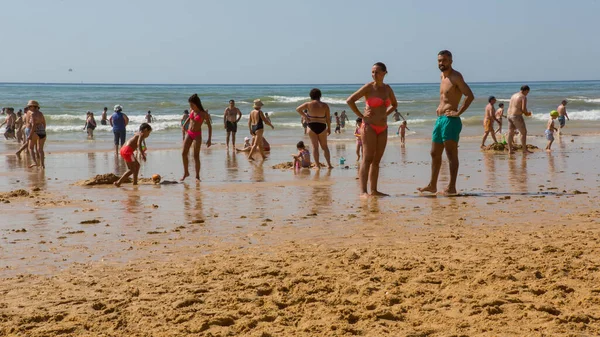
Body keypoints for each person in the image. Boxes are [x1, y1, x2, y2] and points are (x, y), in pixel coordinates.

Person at [418, 50, 474, 196]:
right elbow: (445, 97)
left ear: (451, 61)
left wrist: (458, 112)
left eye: (444, 60)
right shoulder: (442, 76)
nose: (441, 63)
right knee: (434, 153)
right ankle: (432, 185)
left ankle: (451, 187)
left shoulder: (456, 77)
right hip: (440, 119)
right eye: (439, 61)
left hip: (451, 120)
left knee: (450, 154)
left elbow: (469, 95)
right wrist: (440, 106)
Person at [347, 62, 399, 196]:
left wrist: (385, 114)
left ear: (384, 73)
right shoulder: (368, 87)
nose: (374, 74)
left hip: (383, 127)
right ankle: (363, 191)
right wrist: (361, 115)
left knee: (377, 160)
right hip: (369, 127)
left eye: (376, 72)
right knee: (367, 159)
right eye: (372, 72)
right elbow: (350, 100)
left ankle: (374, 190)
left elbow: (394, 104)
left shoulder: (387, 89)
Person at [296, 88, 333, 169]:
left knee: (315, 147)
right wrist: (329, 128)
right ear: (320, 95)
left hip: (311, 126)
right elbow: (328, 119)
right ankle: (329, 165)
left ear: (311, 96)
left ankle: (317, 165)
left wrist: (305, 117)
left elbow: (298, 109)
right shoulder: (325, 105)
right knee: (325, 147)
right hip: (322, 126)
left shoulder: (308, 104)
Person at [181, 94, 212, 181]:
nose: (190, 106)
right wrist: (184, 125)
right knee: (183, 153)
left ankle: (197, 176)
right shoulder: (192, 110)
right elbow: (189, 119)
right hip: (189, 133)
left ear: (196, 103)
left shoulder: (203, 114)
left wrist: (209, 139)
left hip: (197, 135)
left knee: (196, 156)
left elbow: (209, 126)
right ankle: (186, 172)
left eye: (192, 104)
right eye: (190, 104)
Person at [507, 85, 532, 154]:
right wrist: (527, 113)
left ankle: (510, 150)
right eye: (528, 92)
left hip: (509, 115)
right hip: (516, 116)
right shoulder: (523, 97)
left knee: (510, 132)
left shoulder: (513, 95)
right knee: (523, 132)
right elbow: (523, 109)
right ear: (525, 90)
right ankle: (524, 150)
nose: (527, 93)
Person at [26, 100, 47, 168]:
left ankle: (34, 162)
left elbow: (34, 125)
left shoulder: (32, 114)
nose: (28, 107)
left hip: (35, 131)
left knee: (31, 148)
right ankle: (42, 165)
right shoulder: (41, 113)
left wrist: (30, 135)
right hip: (42, 131)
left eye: (29, 106)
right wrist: (42, 130)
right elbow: (44, 123)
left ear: (33, 106)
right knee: (40, 149)